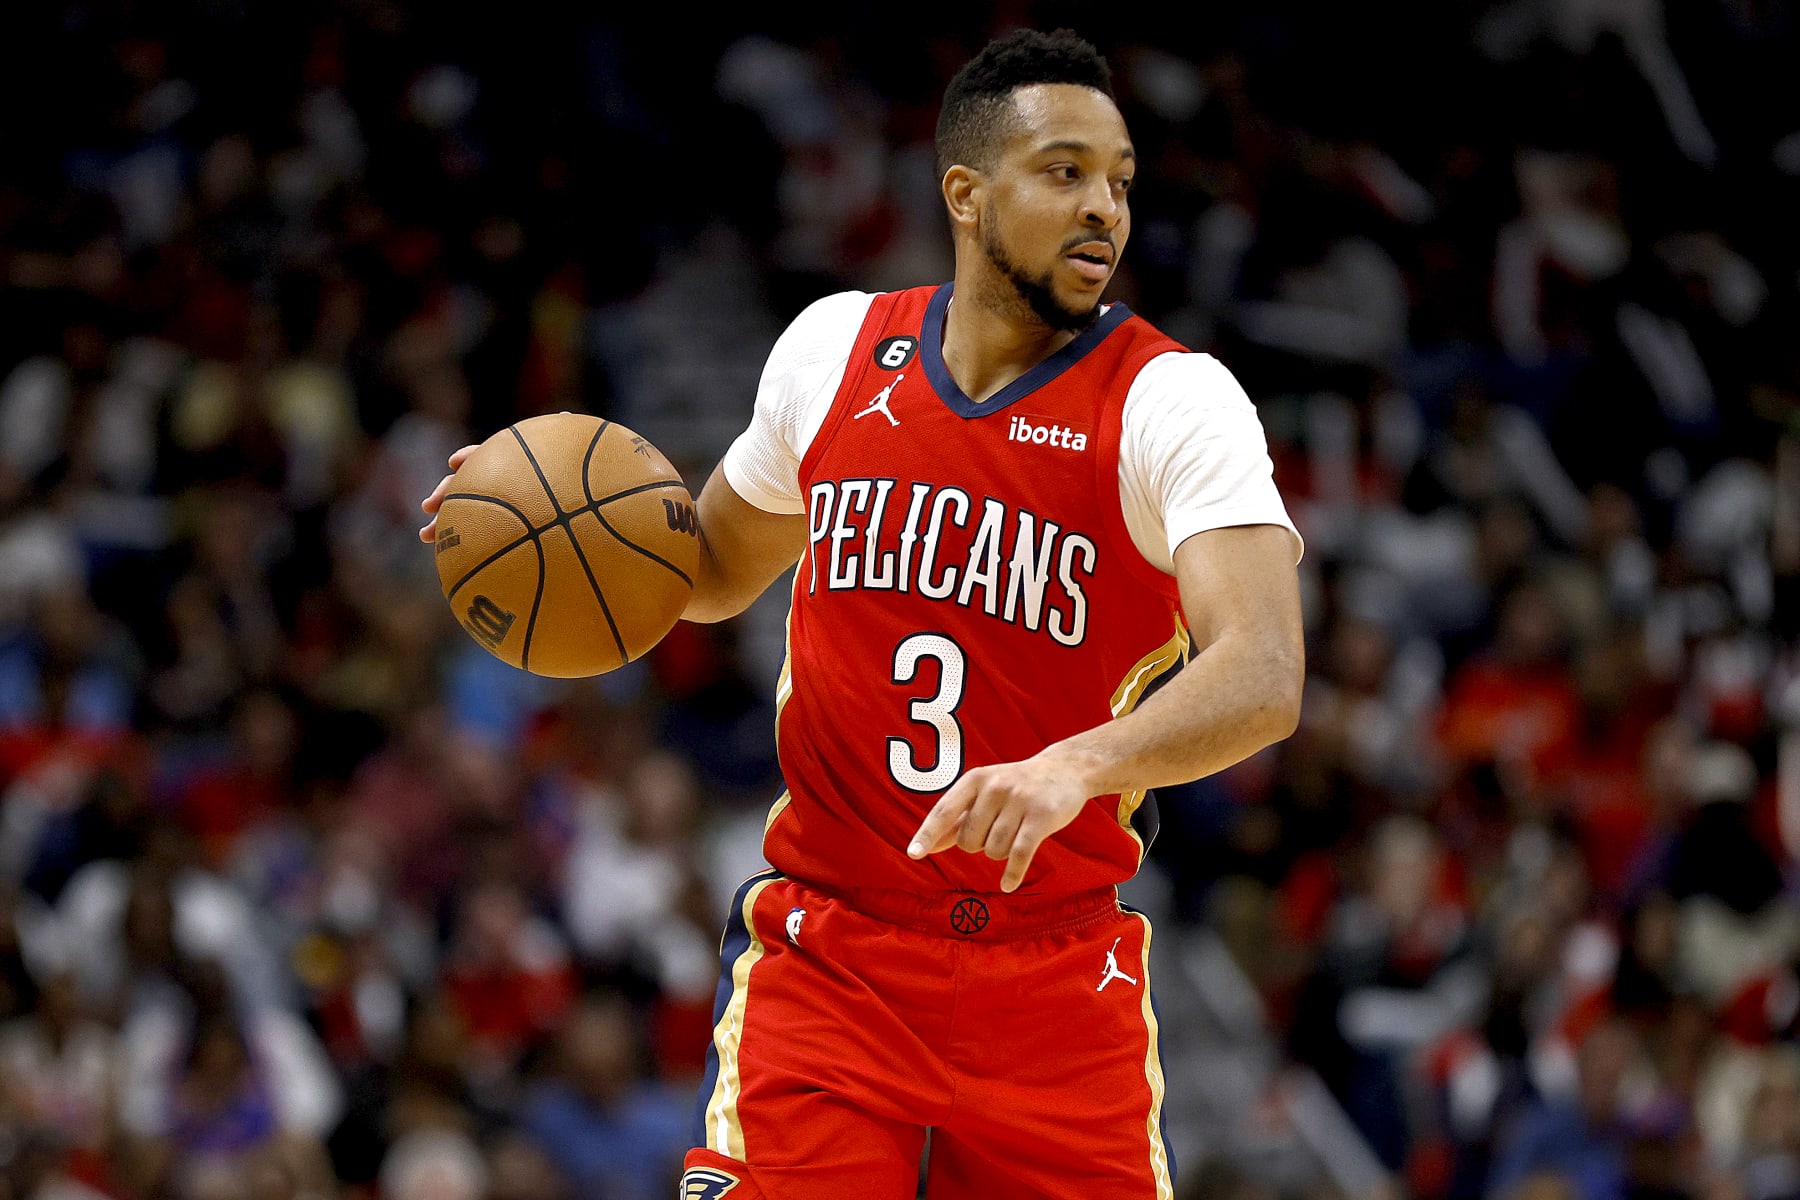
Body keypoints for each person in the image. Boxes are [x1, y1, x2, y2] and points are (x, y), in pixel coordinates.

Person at [420, 27, 1304, 1200]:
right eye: (1064, 172)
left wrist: (1074, 766)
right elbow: (716, 569)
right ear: (968, 194)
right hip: (832, 959)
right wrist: (546, 514)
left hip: (1053, 977)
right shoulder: (834, 350)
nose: (1104, 208)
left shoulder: (1170, 403)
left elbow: (1263, 672)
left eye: (1121, 180)